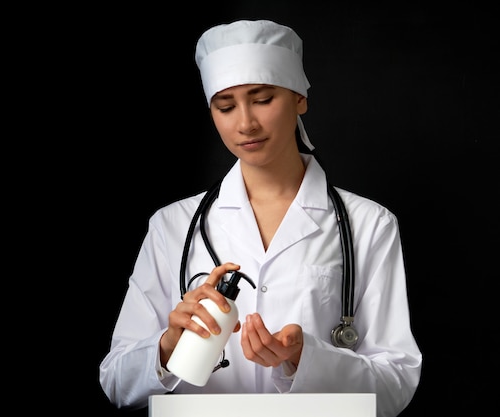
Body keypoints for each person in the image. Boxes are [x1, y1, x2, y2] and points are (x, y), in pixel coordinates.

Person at [99, 19, 422, 417]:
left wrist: (307, 358)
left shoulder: (369, 225)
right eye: (226, 106)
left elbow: (395, 387)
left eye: (263, 98)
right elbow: (115, 382)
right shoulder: (172, 225)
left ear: (300, 98)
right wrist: (167, 346)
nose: (245, 123)